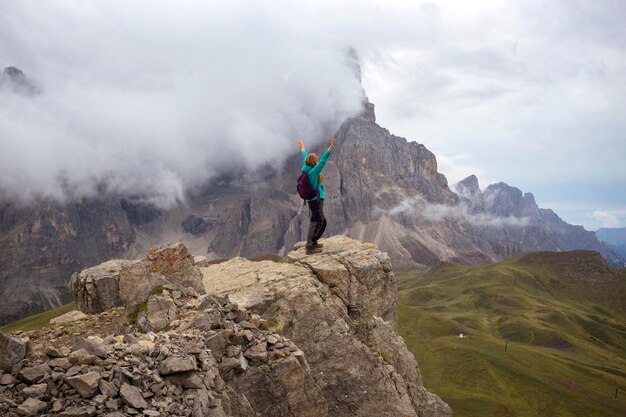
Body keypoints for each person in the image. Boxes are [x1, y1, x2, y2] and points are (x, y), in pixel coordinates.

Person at [297, 138, 336, 254]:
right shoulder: (314, 171)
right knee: (317, 221)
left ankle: (313, 242)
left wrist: (303, 148)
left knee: (320, 221)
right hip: (316, 200)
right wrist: (330, 148)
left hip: (313, 200)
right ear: (314, 162)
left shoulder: (306, 167)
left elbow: (304, 156)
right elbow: (323, 161)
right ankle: (309, 246)